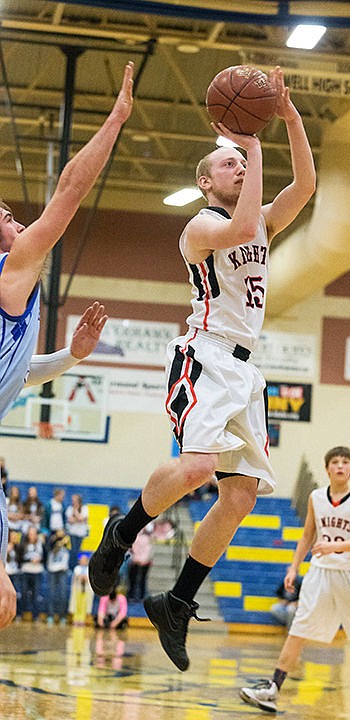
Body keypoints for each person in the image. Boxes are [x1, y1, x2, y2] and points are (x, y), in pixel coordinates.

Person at [89, 65, 316, 672]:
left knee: (240, 497)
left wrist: (288, 118)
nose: (237, 166)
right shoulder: (203, 226)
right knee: (197, 468)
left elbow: (305, 187)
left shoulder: (259, 219)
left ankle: (178, 600)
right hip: (206, 352)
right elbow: (243, 224)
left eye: (239, 162)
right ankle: (123, 531)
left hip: (247, 370)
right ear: (203, 180)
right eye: (227, 163)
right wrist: (253, 142)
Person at [0, 60, 134, 630]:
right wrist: (116, 119)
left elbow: (18, 373)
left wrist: (73, 357)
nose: (18, 221)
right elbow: (70, 188)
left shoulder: (13, 296)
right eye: (6, 217)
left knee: (5, 603)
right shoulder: (11, 271)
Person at [241, 446, 350, 713]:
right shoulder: (315, 497)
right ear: (327, 469)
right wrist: (293, 568)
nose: (340, 466)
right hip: (320, 572)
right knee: (298, 627)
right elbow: (306, 536)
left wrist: (335, 547)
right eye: (334, 462)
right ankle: (273, 687)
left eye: (345, 462)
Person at [46, 528, 71, 625]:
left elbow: (70, 549)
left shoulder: (67, 541)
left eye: (62, 531)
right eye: (59, 531)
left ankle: (62, 616)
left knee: (63, 594)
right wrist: (56, 541)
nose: (61, 532)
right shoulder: (51, 541)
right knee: (51, 594)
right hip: (52, 570)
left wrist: (63, 541)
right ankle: (51, 616)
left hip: (62, 571)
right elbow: (50, 548)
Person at [66, 494, 89, 570]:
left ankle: (78, 566)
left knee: (78, 551)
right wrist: (79, 519)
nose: (73, 502)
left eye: (74, 500)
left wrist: (75, 512)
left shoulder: (84, 508)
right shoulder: (69, 509)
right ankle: (72, 567)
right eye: (72, 500)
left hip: (81, 533)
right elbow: (70, 520)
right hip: (72, 533)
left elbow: (82, 518)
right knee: (73, 551)